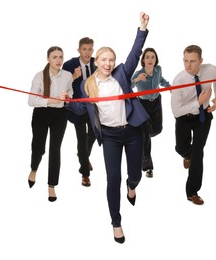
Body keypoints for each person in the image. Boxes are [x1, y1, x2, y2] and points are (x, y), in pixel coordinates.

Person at [62, 12, 150, 244]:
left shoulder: (121, 73)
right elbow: (82, 111)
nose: (108, 63)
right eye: (104, 59)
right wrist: (68, 101)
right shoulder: (88, 85)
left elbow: (134, 54)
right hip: (110, 136)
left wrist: (141, 29)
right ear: (96, 61)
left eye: (111, 59)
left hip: (131, 132)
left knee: (134, 175)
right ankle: (116, 223)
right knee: (113, 180)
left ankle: (132, 187)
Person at [171, 44, 216, 205]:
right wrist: (197, 103)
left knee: (198, 152)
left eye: (192, 61)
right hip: (184, 117)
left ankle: (192, 191)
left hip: (204, 116)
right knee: (181, 148)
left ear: (201, 60)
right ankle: (186, 155)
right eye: (185, 61)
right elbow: (176, 111)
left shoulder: (211, 70)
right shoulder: (178, 80)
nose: (188, 65)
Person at [27, 46, 73, 202]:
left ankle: (51, 185)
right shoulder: (39, 76)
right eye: (55, 57)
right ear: (48, 59)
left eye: (61, 57)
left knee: (55, 149)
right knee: (38, 147)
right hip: (41, 113)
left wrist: (67, 97)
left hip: (60, 115)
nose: (58, 60)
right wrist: (51, 100)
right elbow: (31, 101)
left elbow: (70, 93)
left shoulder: (67, 75)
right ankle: (34, 169)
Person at [131, 47, 170, 178]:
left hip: (157, 102)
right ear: (143, 60)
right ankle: (148, 167)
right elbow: (129, 86)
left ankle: (142, 135)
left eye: (152, 57)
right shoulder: (139, 73)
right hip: (142, 105)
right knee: (146, 136)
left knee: (158, 129)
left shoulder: (158, 69)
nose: (150, 59)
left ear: (156, 60)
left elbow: (161, 80)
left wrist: (169, 86)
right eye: (147, 57)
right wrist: (136, 80)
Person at [62, 37, 96, 187]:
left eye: (90, 49)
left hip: (93, 107)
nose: (87, 53)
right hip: (77, 109)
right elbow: (60, 86)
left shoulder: (97, 63)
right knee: (81, 139)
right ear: (79, 50)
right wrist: (73, 77)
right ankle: (85, 173)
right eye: (84, 49)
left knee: (94, 134)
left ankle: (84, 157)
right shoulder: (69, 65)